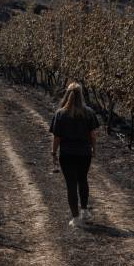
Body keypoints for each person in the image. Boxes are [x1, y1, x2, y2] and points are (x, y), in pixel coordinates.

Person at [49, 83, 100, 227]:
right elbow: (93, 135)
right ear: (81, 95)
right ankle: (84, 211)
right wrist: (94, 150)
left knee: (71, 185)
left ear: (66, 94)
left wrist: (53, 153)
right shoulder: (89, 112)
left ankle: (76, 218)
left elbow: (57, 137)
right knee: (83, 180)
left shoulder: (60, 114)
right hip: (84, 154)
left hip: (67, 154)